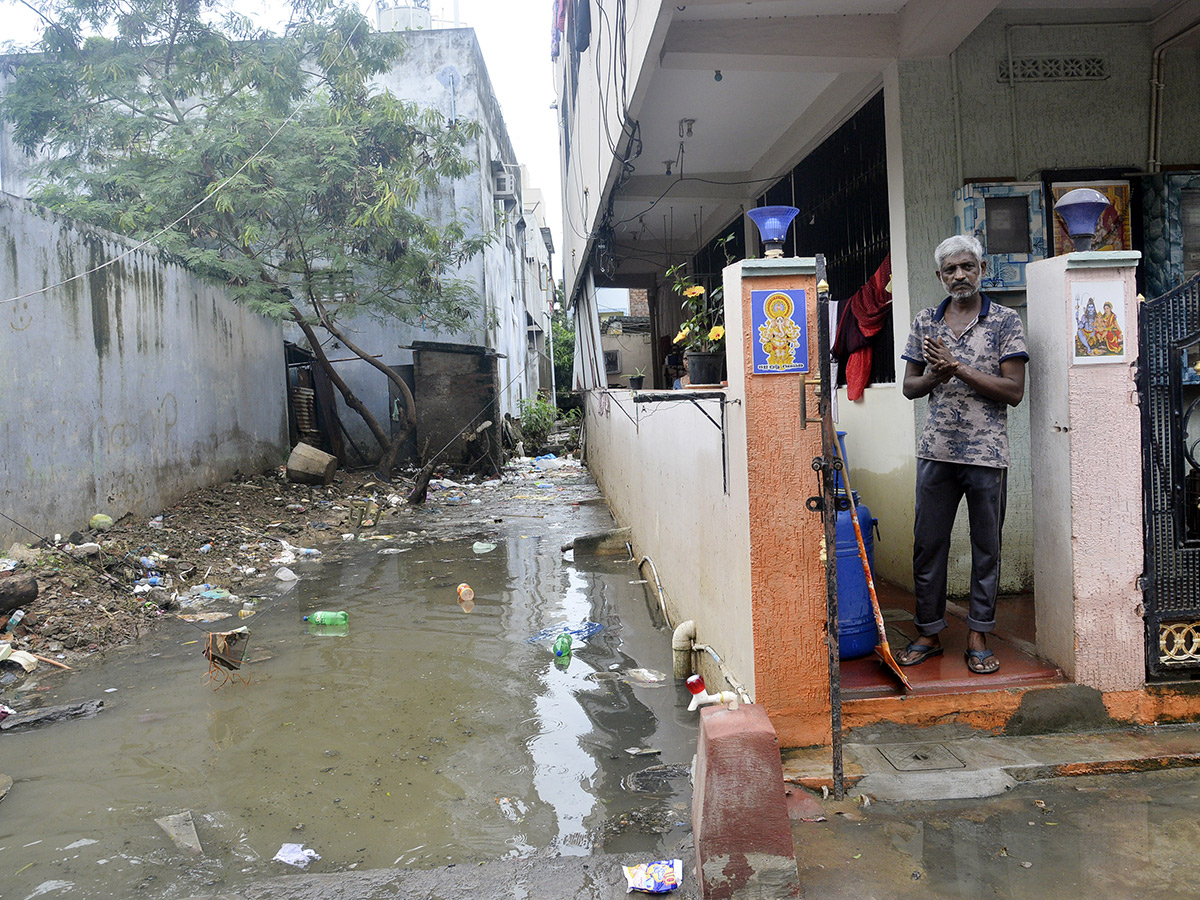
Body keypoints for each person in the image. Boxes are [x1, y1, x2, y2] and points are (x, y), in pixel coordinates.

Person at [897, 235, 1029, 675]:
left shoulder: (1006, 320)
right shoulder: (924, 322)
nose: (959, 275)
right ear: (940, 276)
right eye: (950, 269)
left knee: (986, 547)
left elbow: (1013, 392)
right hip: (936, 451)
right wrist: (937, 374)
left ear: (982, 269)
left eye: (967, 266)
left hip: (987, 456)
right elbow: (909, 387)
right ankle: (929, 632)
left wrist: (960, 368)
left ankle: (978, 633)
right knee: (927, 545)